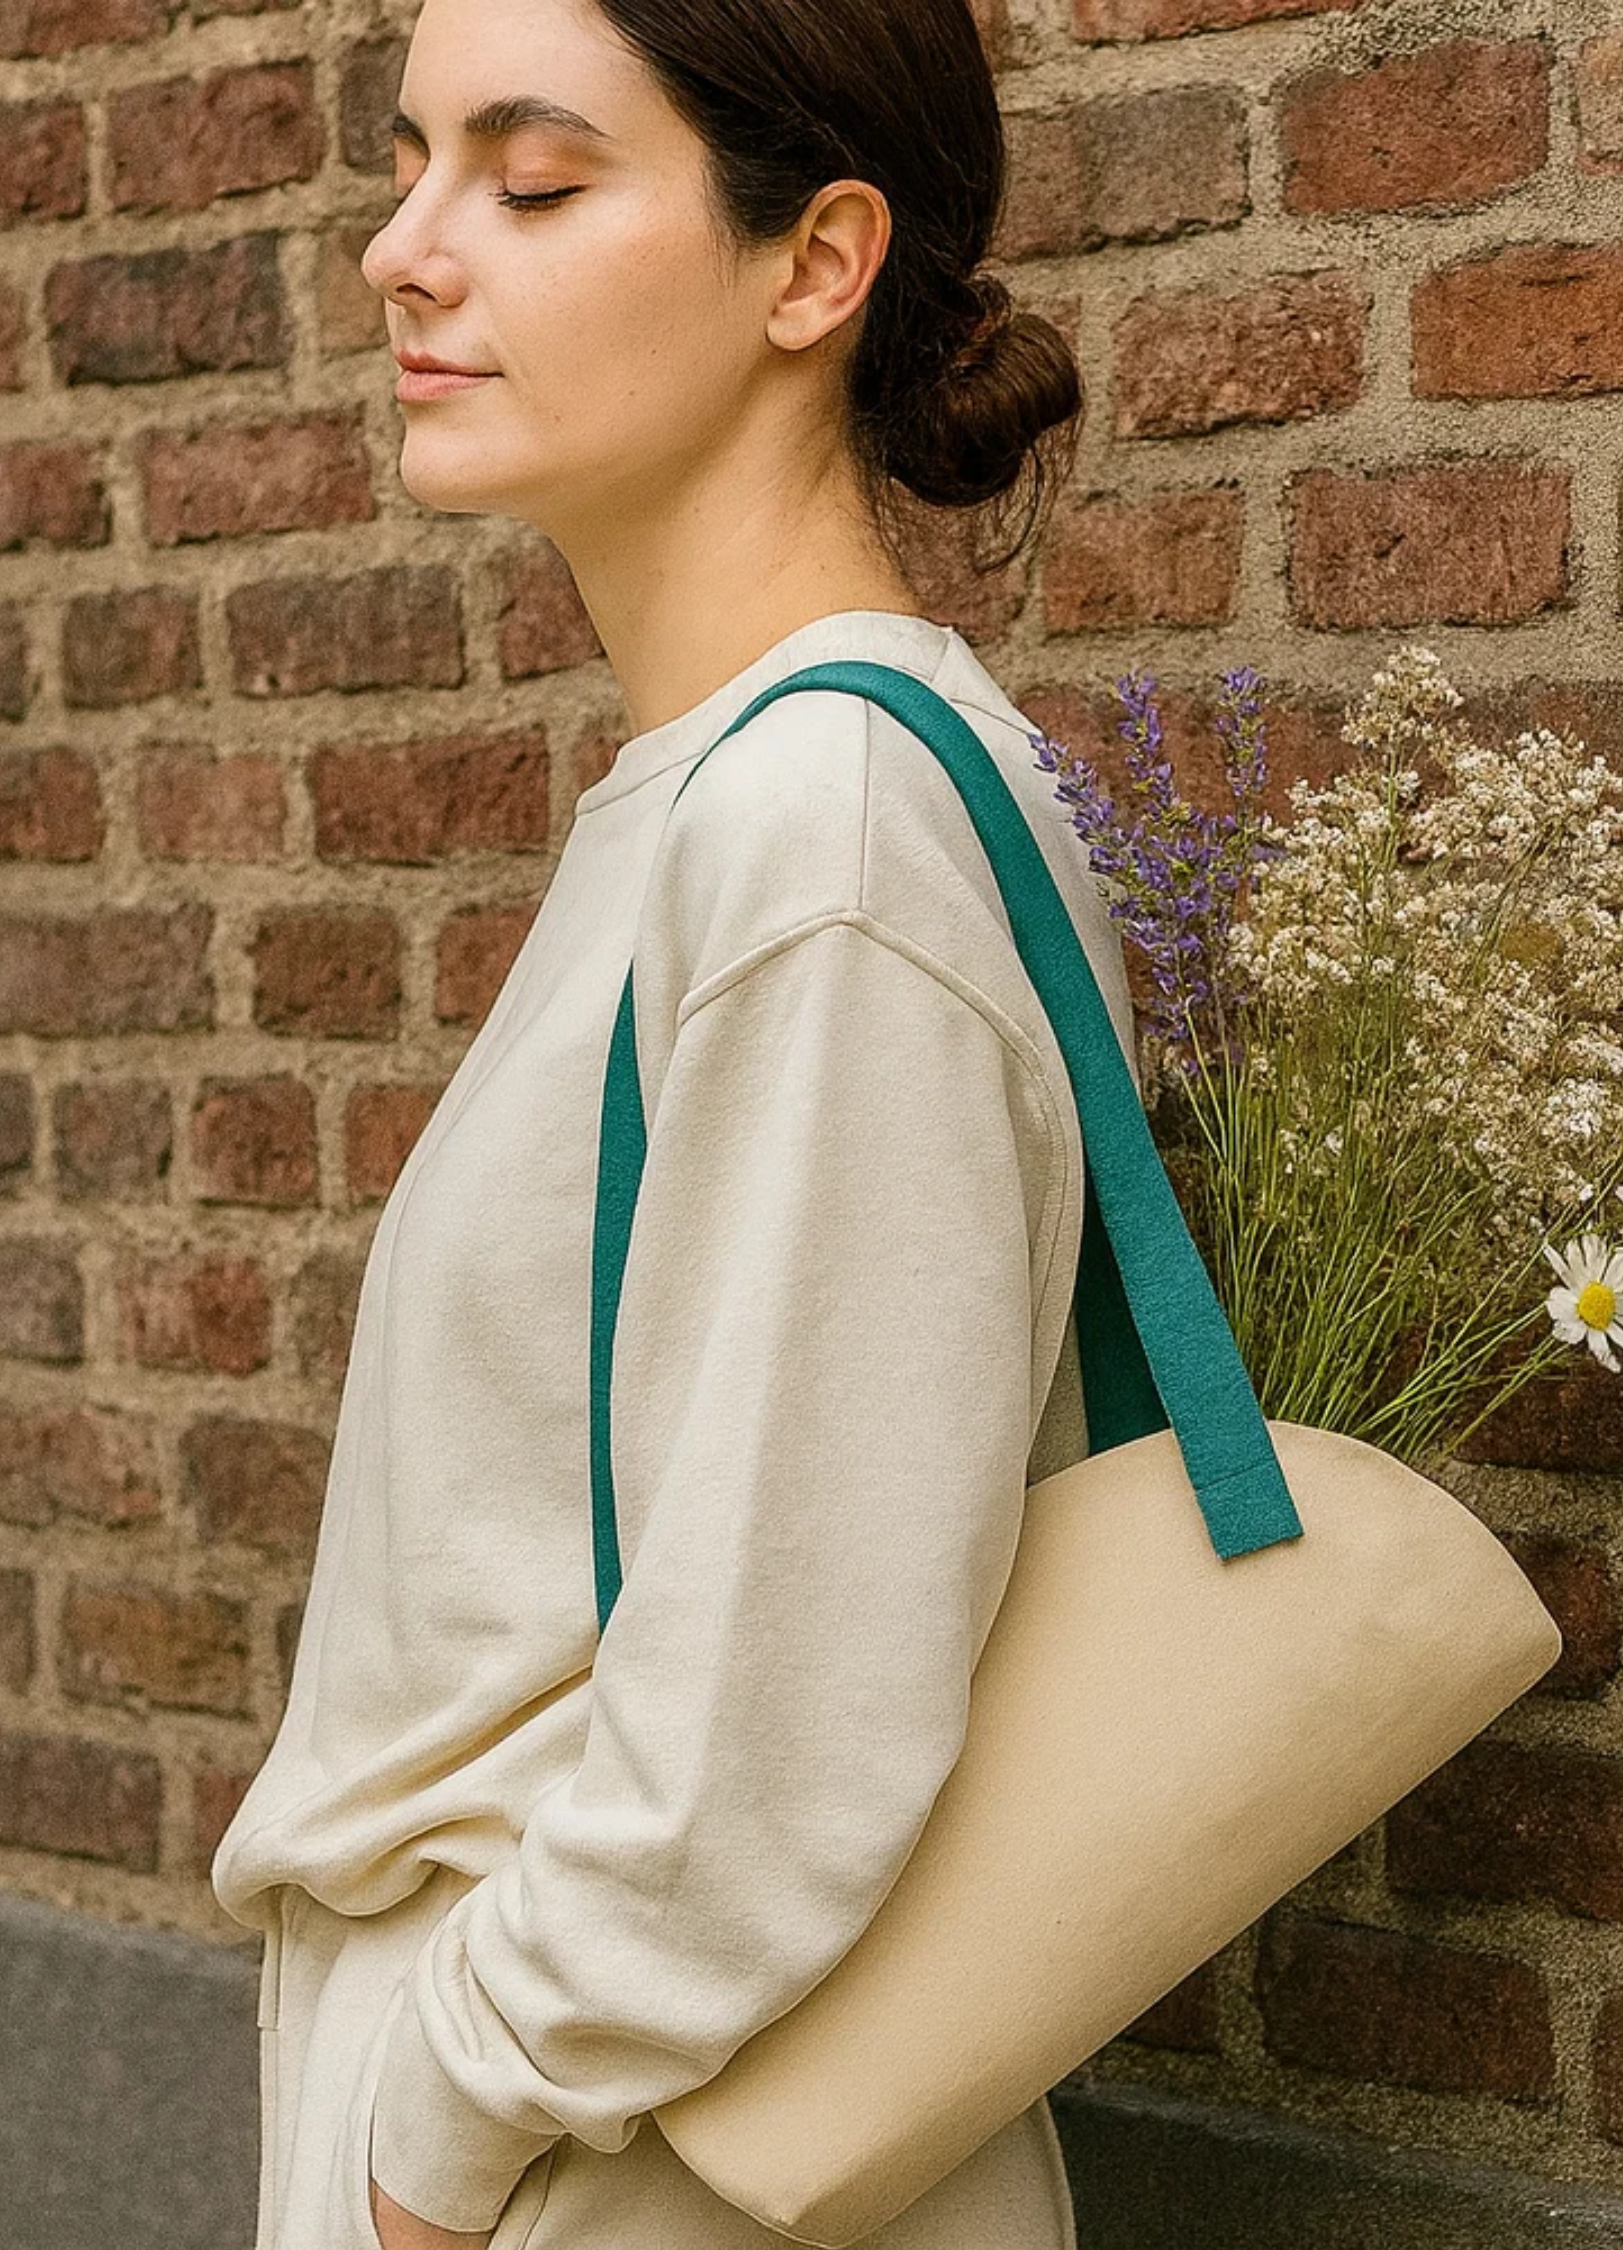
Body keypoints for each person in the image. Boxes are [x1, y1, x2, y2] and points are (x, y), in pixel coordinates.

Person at [208, 0, 1134, 2241]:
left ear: (815, 265)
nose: (405, 254)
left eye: (530, 183)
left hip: (607, 2159)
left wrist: (434, 2151)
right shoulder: (740, 798)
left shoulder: (823, 826)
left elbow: (778, 1705)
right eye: (413, 161)